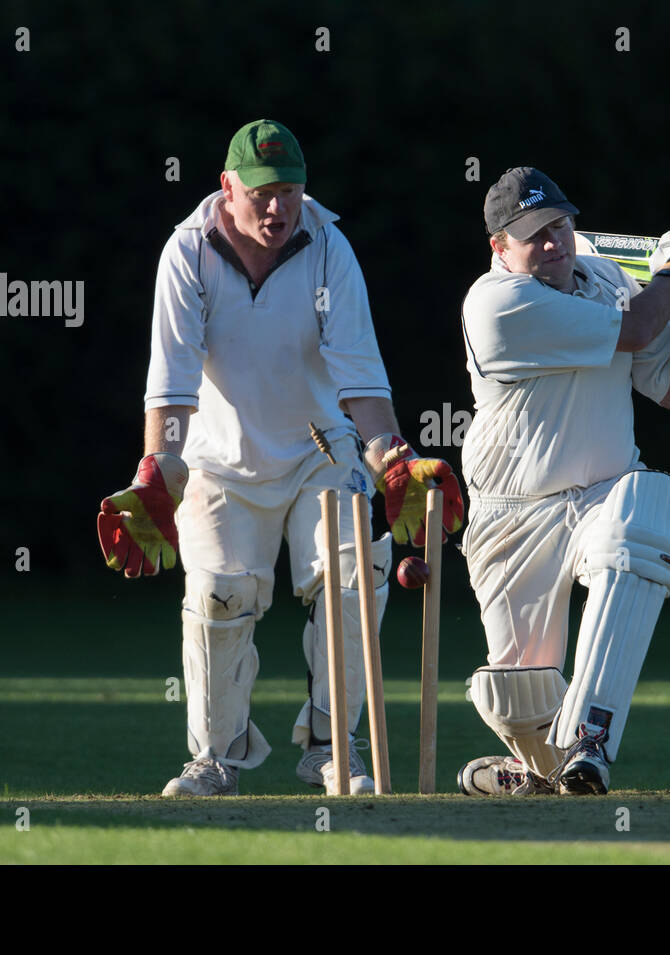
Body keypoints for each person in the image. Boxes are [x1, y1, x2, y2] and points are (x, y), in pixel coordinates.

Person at [97, 119, 463, 796]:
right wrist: (156, 472)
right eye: (262, 192)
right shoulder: (187, 253)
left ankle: (332, 746)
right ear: (226, 187)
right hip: (218, 459)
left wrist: (393, 458)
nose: (277, 207)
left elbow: (361, 380)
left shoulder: (329, 247)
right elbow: (172, 384)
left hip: (319, 449)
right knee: (218, 594)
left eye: (290, 190)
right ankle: (216, 755)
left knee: (355, 572)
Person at [456, 167, 670, 795]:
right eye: (534, 234)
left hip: (602, 493)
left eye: (561, 225)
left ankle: (591, 740)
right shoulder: (498, 304)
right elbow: (638, 329)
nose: (554, 242)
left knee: (651, 507)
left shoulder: (611, 281)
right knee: (516, 696)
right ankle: (538, 768)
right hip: (513, 512)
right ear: (500, 248)